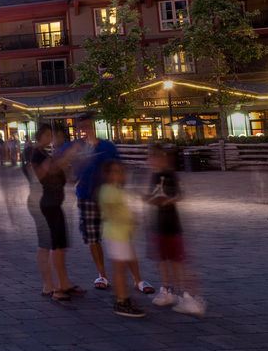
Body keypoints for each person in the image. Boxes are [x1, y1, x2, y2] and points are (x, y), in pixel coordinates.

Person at [68, 113, 153, 294]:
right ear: (78, 129)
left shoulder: (107, 146)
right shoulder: (76, 148)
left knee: (123, 238)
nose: (85, 131)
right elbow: (70, 172)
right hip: (86, 197)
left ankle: (137, 279)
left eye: (88, 126)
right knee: (93, 238)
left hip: (109, 199)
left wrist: (119, 190)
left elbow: (119, 169)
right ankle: (102, 274)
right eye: (82, 128)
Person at [144, 145, 204, 316]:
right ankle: (166, 290)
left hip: (171, 224)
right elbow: (151, 196)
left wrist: (167, 201)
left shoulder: (170, 175)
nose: (150, 161)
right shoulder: (155, 175)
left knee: (177, 261)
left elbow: (179, 195)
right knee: (162, 259)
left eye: (153, 157)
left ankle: (188, 296)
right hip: (158, 224)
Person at [29, 126, 79, 302]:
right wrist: (60, 158)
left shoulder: (45, 154)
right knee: (52, 245)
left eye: (52, 135)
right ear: (39, 137)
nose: (50, 138)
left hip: (54, 203)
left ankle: (63, 283)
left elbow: (59, 171)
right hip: (46, 204)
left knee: (60, 244)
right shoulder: (36, 155)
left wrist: (64, 160)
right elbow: (42, 174)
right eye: (48, 135)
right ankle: (52, 287)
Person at [100, 160, 146, 317]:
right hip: (116, 234)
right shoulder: (109, 191)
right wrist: (131, 219)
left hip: (120, 234)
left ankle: (120, 295)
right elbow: (113, 212)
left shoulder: (114, 190)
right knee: (119, 269)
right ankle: (121, 301)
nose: (121, 174)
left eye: (121, 171)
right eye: (116, 171)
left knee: (120, 268)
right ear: (108, 175)